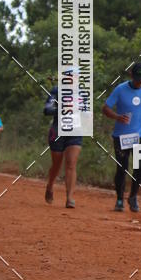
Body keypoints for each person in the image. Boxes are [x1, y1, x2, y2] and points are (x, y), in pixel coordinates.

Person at [102, 61, 141, 213]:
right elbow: (105, 108)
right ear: (131, 75)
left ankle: (133, 197)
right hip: (122, 137)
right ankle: (119, 199)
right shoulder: (120, 89)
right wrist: (117, 117)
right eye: (138, 78)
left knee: (140, 168)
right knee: (122, 168)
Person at [44, 72, 83, 208]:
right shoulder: (56, 91)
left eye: (77, 77)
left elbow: (87, 111)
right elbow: (47, 109)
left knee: (71, 163)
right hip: (58, 131)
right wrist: (62, 109)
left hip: (76, 131)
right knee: (57, 164)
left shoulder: (82, 93)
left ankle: (70, 197)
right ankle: (50, 185)